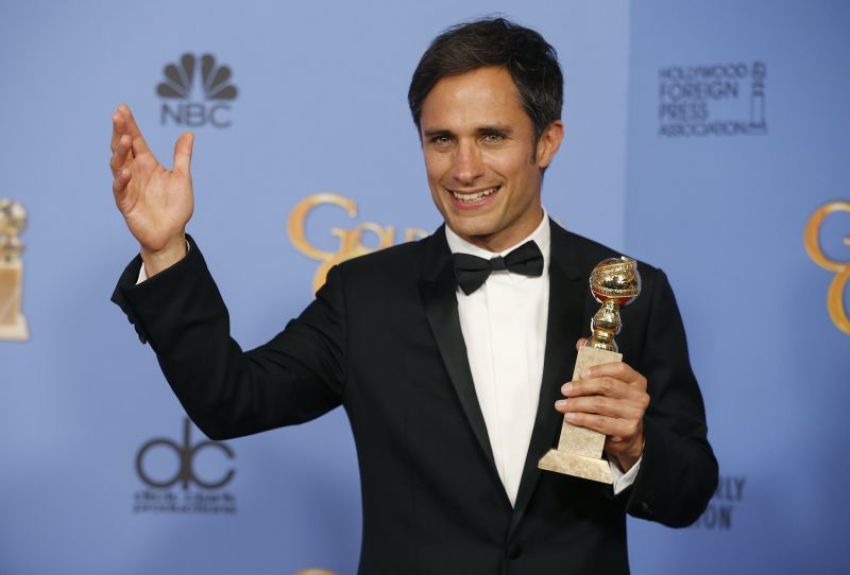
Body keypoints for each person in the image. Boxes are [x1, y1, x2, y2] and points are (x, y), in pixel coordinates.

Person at [110, 17, 717, 574]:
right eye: (442, 139)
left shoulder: (629, 290)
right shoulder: (363, 296)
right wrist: (165, 251)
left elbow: (689, 491)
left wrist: (637, 447)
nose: (465, 168)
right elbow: (229, 400)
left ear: (548, 141)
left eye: (492, 136)